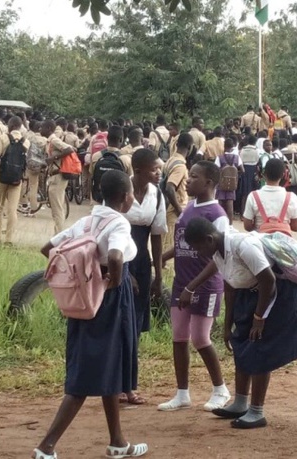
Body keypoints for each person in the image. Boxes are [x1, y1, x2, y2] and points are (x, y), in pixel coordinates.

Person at [33, 170, 147, 459]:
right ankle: (46, 447)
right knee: (85, 377)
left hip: (85, 301)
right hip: (109, 304)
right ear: (125, 197)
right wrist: (112, 282)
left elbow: (48, 248)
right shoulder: (119, 223)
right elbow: (117, 257)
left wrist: (82, 280)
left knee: (110, 367)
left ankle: (118, 442)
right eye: (131, 192)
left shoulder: (87, 221)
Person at [183, 216, 297, 429]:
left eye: (198, 248)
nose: (199, 253)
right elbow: (230, 286)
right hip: (248, 295)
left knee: (259, 347)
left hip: (276, 295)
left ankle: (257, 411)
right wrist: (227, 324)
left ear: (209, 239)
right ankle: (240, 403)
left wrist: (259, 318)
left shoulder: (243, 245)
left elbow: (269, 281)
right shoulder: (219, 253)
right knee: (241, 343)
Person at [158, 161, 230, 412]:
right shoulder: (189, 207)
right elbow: (180, 244)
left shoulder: (218, 216)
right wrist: (160, 259)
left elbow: (220, 258)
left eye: (194, 177)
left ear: (209, 183)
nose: (188, 181)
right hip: (181, 283)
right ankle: (182, 393)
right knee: (178, 337)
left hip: (206, 285)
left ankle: (220, 389)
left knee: (200, 338)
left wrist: (193, 286)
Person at [122, 148, 166, 405]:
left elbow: (157, 235)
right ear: (137, 171)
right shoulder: (121, 188)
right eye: (153, 169)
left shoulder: (157, 195)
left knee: (136, 327)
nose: (158, 173)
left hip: (141, 263)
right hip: (119, 261)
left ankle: (130, 387)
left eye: (159, 168)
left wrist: (158, 274)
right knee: (121, 325)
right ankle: (117, 385)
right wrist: (123, 272)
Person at [0, 116, 30, 244]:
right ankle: (9, 239)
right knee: (12, 209)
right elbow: (25, 162)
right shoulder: (26, 142)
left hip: (3, 177)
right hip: (17, 179)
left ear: (10, 126)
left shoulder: (4, 138)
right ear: (20, 126)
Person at [243, 158, 297, 234]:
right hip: (283, 243)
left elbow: (247, 226)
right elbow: (296, 227)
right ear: (283, 175)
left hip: (260, 242)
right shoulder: (292, 197)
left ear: (264, 174)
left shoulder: (253, 196)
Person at [41, 120, 75, 234]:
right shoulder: (49, 141)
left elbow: (69, 149)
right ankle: (58, 233)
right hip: (54, 176)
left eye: (43, 128)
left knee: (57, 209)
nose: (40, 130)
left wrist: (54, 158)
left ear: (49, 128)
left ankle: (59, 235)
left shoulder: (54, 140)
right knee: (56, 207)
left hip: (58, 177)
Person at [162, 133, 191, 253]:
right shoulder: (180, 166)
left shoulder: (170, 160)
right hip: (174, 210)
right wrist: (179, 209)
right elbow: (170, 187)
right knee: (170, 244)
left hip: (168, 206)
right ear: (190, 147)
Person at [215, 138, 244, 219]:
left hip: (221, 183)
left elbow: (216, 169)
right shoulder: (237, 157)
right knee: (230, 203)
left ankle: (219, 220)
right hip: (232, 184)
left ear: (224, 146)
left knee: (220, 202)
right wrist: (235, 175)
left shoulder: (220, 157)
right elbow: (243, 170)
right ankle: (230, 225)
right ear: (232, 147)